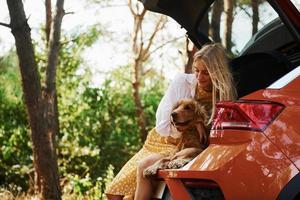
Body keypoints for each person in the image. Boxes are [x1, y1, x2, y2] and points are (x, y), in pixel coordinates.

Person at [105, 43, 236, 200]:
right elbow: (163, 123)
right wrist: (197, 122)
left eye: (206, 73)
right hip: (162, 140)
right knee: (113, 193)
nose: (199, 77)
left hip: (187, 145)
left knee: (143, 171)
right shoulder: (183, 81)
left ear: (217, 72)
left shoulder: (225, 95)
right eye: (196, 70)